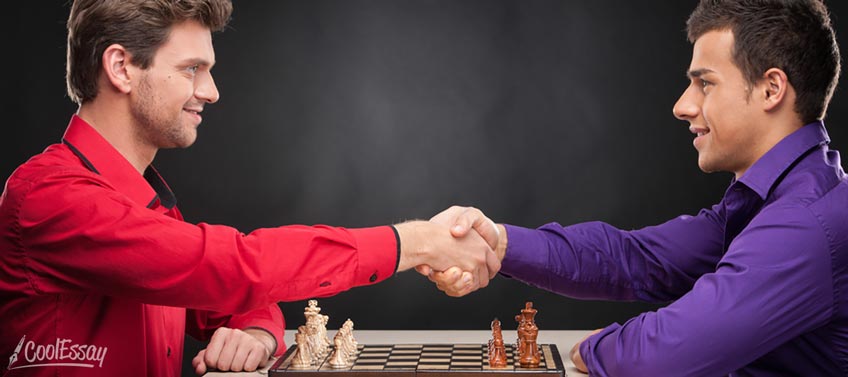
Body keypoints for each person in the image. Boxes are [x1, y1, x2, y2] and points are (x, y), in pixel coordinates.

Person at [0, 1, 499, 376]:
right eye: (192, 68)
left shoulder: (145, 204)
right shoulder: (50, 197)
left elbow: (229, 294)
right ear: (122, 67)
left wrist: (257, 332)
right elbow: (234, 266)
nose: (211, 91)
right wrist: (415, 242)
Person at [427, 0, 847, 375]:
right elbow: (633, 258)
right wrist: (498, 243)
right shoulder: (768, 200)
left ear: (771, 89)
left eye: (706, 83)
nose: (683, 105)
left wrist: (595, 348)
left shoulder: (807, 222)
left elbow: (664, 355)